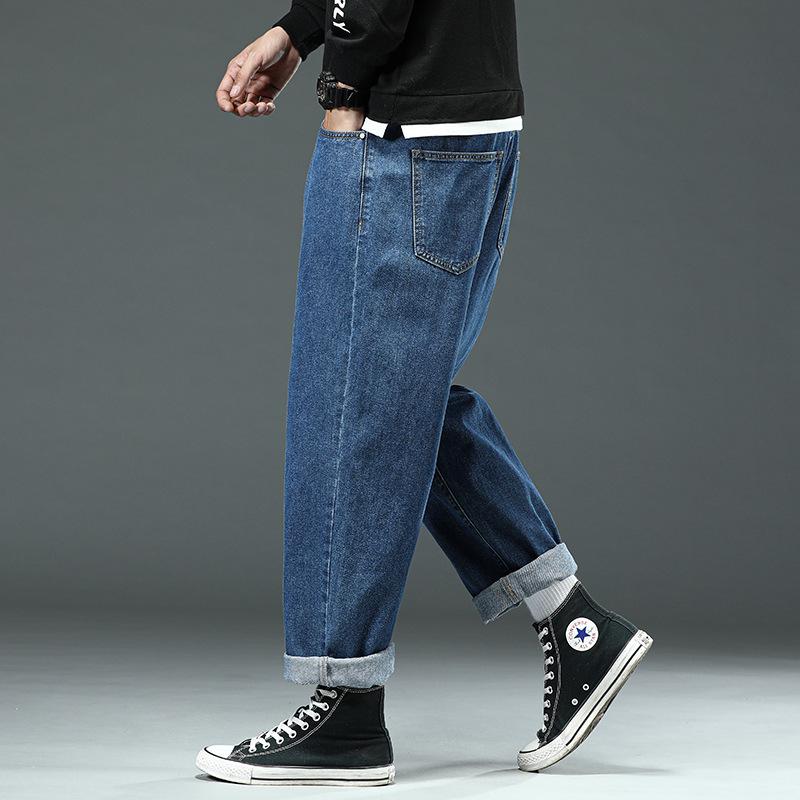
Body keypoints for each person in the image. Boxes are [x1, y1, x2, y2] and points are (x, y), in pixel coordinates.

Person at [197, 0, 652, 786]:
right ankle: (575, 623)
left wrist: (344, 82)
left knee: (350, 408)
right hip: (469, 121)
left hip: (402, 135)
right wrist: (300, 29)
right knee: (400, 398)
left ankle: (345, 713)